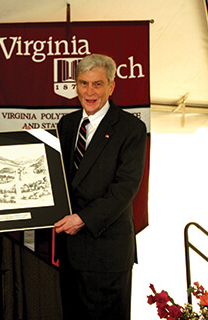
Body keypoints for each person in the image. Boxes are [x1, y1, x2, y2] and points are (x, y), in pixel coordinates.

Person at [54, 54, 147, 320]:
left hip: (107, 253)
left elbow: (126, 187)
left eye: (97, 84)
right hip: (71, 252)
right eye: (83, 83)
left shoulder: (131, 128)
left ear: (111, 86)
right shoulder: (67, 124)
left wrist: (83, 218)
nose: (89, 91)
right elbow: (55, 174)